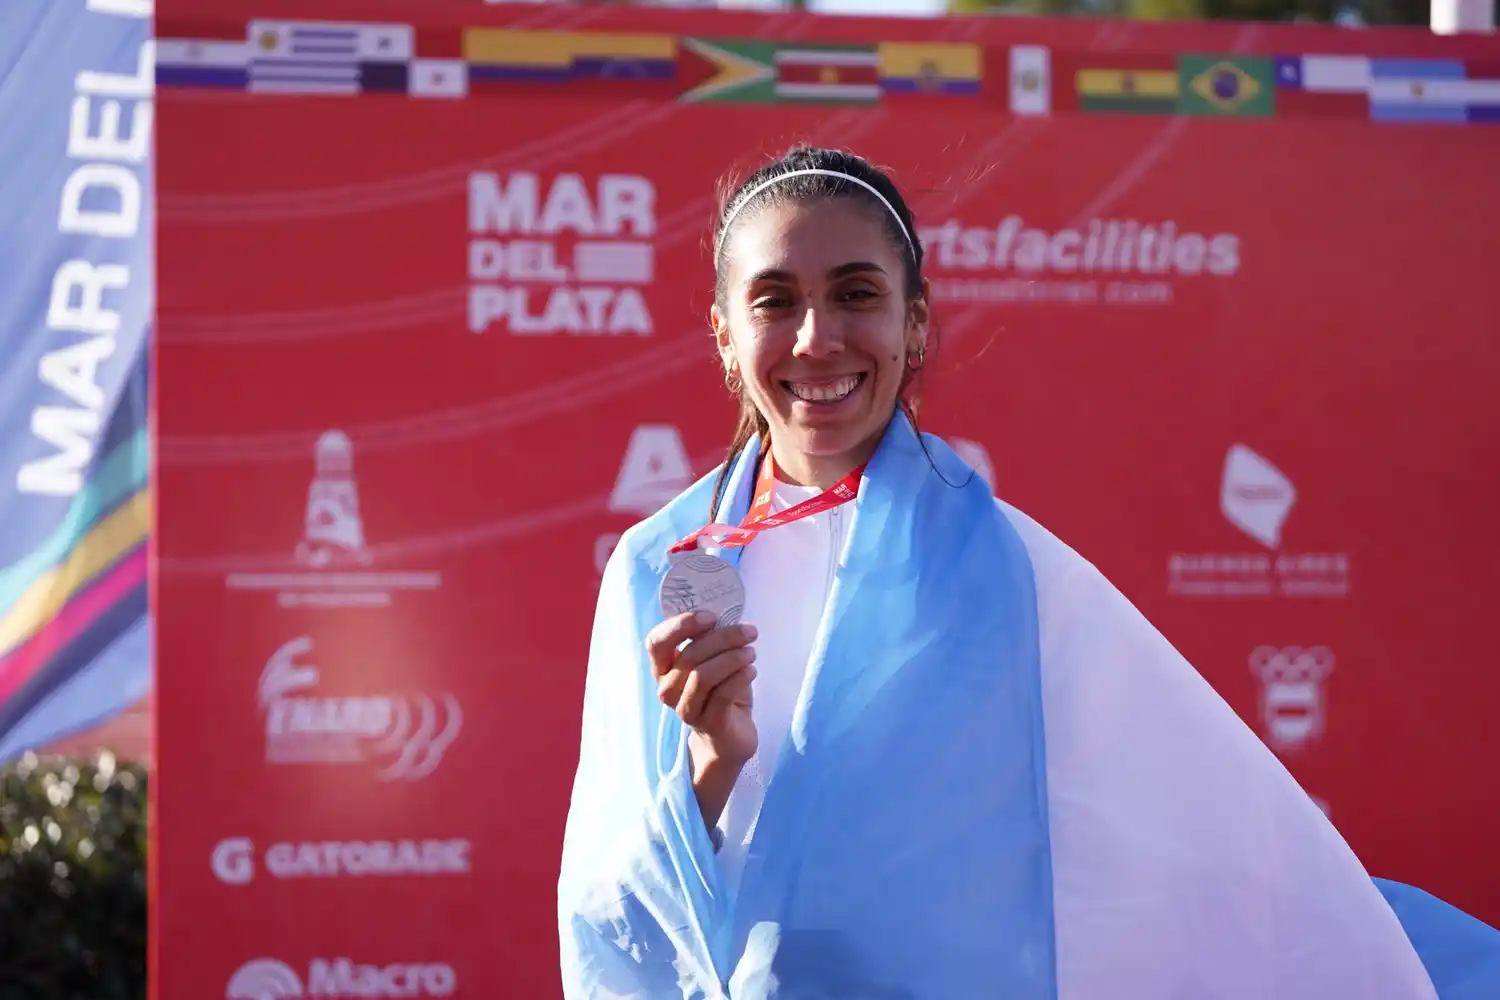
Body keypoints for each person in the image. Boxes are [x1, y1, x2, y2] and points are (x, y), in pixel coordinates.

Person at [557, 146, 1499, 1000]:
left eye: (855, 293)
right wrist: (708, 770)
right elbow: (607, 915)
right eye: (774, 300)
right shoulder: (659, 568)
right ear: (725, 335)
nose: (816, 339)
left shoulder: (1017, 575)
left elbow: (1150, 859)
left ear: (913, 322)